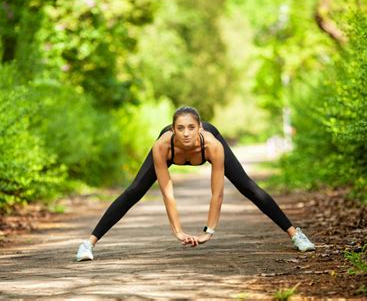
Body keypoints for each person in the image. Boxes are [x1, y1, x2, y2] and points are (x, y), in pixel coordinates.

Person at [76, 106, 315, 261]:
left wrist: (208, 232)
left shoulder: (212, 145)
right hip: (168, 150)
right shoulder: (163, 145)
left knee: (247, 186)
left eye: (191, 127)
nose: (187, 133)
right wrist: (178, 231)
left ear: (199, 128)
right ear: (173, 129)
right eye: (180, 128)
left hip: (211, 145)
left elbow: (216, 194)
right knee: (135, 190)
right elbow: (168, 194)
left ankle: (296, 235)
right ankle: (88, 243)